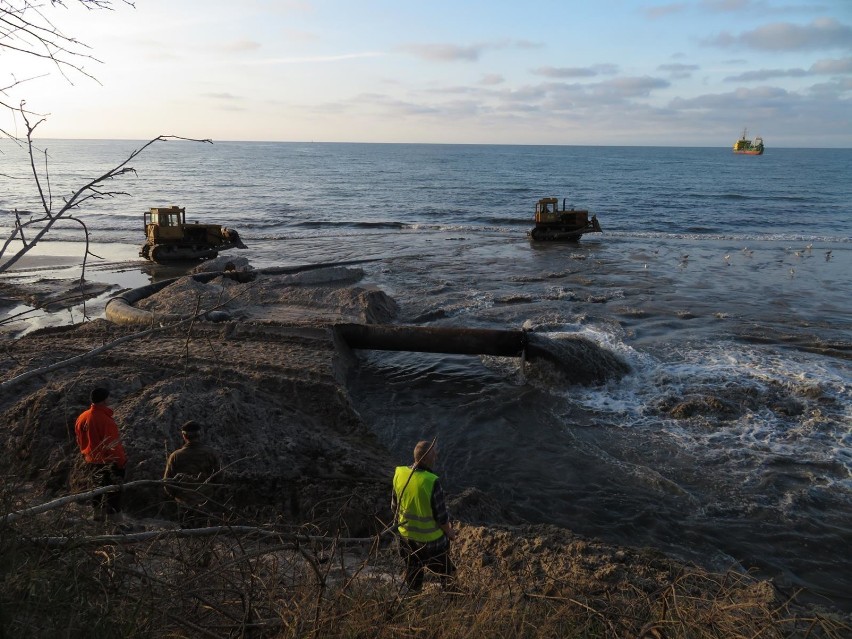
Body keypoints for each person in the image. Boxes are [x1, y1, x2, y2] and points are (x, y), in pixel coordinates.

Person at [391, 440, 457, 592]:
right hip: (431, 542)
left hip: (406, 539)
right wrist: (450, 532)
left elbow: (394, 507)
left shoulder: (399, 474)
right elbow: (441, 517)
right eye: (434, 454)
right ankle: (454, 598)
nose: (436, 456)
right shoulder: (431, 482)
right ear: (427, 459)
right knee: (448, 572)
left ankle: (414, 599)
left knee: (414, 573)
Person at [74, 387, 128, 522]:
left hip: (91, 461)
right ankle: (116, 525)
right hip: (108, 462)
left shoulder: (82, 417)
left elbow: (79, 439)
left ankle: (98, 518)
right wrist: (121, 463)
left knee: (96, 491)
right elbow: (113, 445)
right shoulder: (105, 420)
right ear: (104, 400)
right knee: (113, 493)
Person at [163, 420, 222, 526]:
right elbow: (219, 478)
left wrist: (177, 496)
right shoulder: (211, 453)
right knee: (207, 536)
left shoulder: (175, 456)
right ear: (200, 434)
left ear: (184, 436)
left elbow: (167, 482)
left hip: (184, 503)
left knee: (186, 534)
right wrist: (210, 493)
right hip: (206, 502)